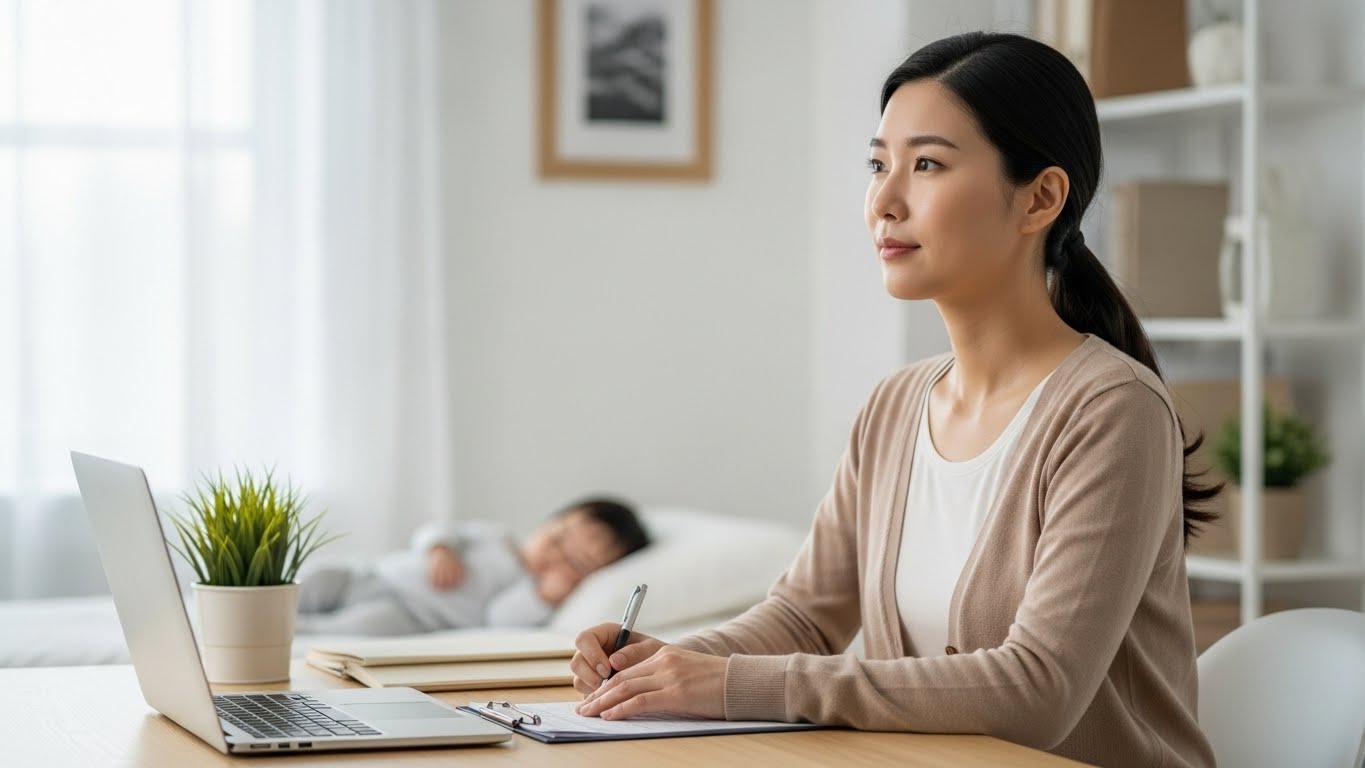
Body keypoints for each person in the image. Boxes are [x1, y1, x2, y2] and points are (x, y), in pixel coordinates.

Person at [568, 31, 1219, 768]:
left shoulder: (1112, 411)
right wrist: (663, 665)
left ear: (1039, 197)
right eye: (877, 164)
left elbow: (1037, 692)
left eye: (927, 165)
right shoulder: (895, 406)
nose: (883, 199)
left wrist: (733, 685)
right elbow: (805, 616)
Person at [294, 497, 650, 636]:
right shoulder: (496, 537)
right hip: (371, 575)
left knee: (349, 630)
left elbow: (500, 619)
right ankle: (254, 609)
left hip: (410, 615)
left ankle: (291, 630)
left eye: (576, 562)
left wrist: (545, 596)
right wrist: (440, 549)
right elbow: (439, 529)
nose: (556, 556)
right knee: (314, 578)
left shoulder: (525, 590)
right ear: (547, 521)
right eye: (557, 539)